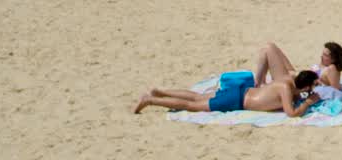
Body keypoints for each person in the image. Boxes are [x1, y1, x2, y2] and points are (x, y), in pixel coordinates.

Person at [133, 68, 320, 116]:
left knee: (197, 96)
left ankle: (159, 91)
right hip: (237, 100)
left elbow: (295, 80)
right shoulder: (286, 89)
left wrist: (303, 93)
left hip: (241, 91)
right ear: (305, 87)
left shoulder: (288, 80)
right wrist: (308, 102)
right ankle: (150, 100)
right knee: (192, 105)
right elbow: (291, 113)